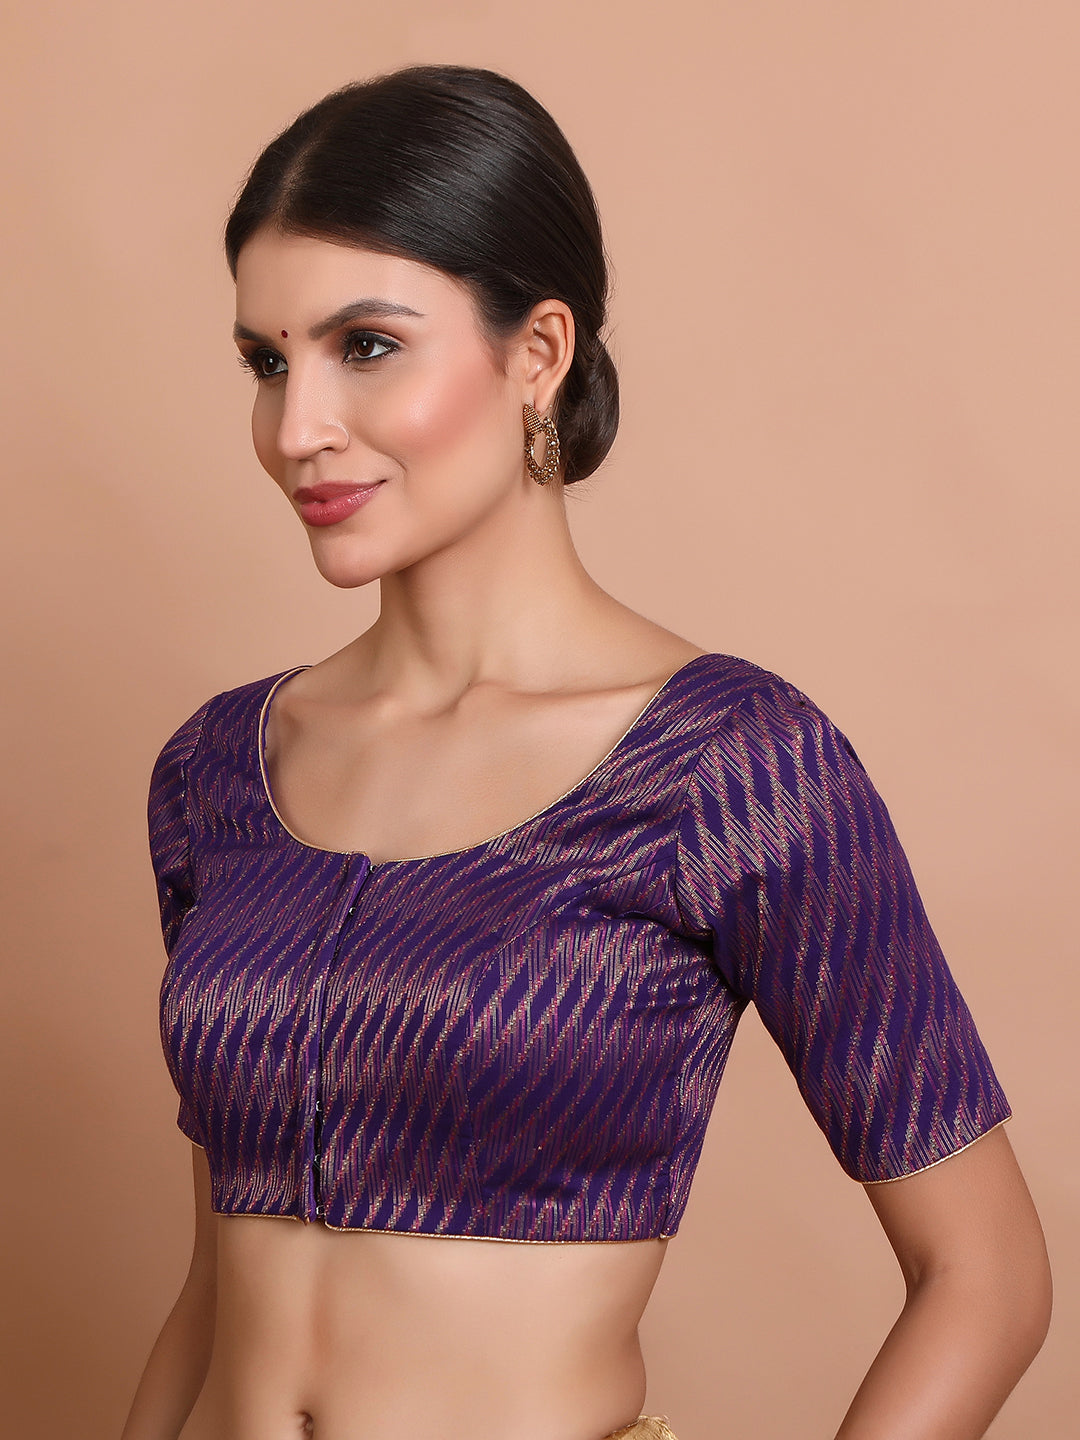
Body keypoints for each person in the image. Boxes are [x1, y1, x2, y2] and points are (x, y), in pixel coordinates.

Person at [121, 64, 1051, 1440]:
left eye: (364, 345)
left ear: (538, 353)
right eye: (268, 362)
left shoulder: (729, 768)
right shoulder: (216, 771)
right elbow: (213, 1288)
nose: (296, 427)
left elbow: (989, 1278)